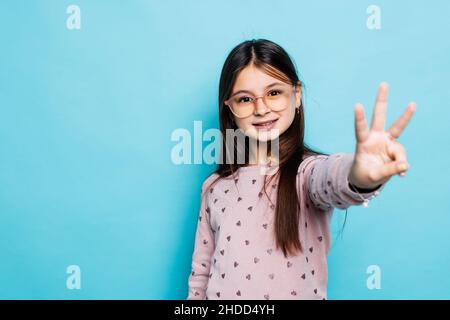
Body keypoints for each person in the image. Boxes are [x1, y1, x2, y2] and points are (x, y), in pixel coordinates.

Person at [186, 39, 416, 300]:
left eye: (274, 93)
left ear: (296, 95)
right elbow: (200, 276)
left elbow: (332, 178)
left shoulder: (306, 175)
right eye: (245, 99)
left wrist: (360, 176)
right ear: (230, 108)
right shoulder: (214, 187)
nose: (261, 109)